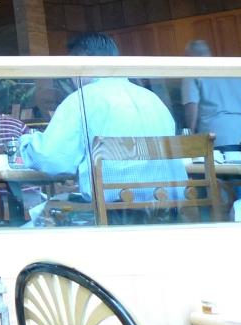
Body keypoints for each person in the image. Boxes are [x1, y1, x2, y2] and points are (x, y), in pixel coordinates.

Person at [20, 33, 186, 215]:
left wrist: (25, 143)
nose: (70, 77)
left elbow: (50, 159)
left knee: (38, 218)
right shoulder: (153, 100)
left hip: (115, 217)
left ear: (82, 63)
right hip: (171, 214)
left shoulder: (82, 99)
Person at [181, 39, 241, 151]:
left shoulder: (192, 73)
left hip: (216, 137)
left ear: (189, 56)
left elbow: (192, 107)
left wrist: (190, 134)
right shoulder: (232, 71)